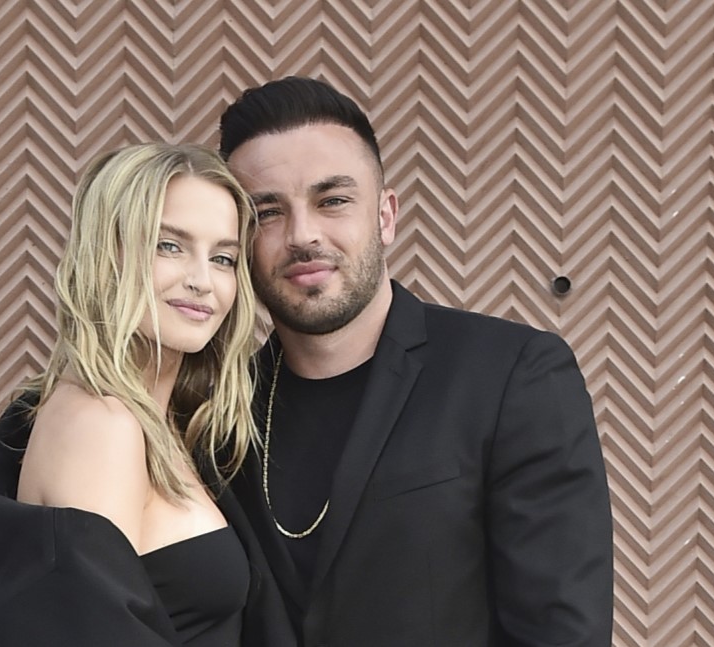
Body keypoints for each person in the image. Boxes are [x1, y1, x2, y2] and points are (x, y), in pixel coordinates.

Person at [217, 76, 614, 646]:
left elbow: (562, 632)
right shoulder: (220, 410)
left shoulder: (511, 376)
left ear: (385, 216)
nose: (302, 235)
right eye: (267, 212)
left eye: (332, 201)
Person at [0, 143, 295, 646]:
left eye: (223, 258)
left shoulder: (170, 425)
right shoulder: (100, 424)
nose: (202, 281)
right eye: (169, 246)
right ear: (107, 254)